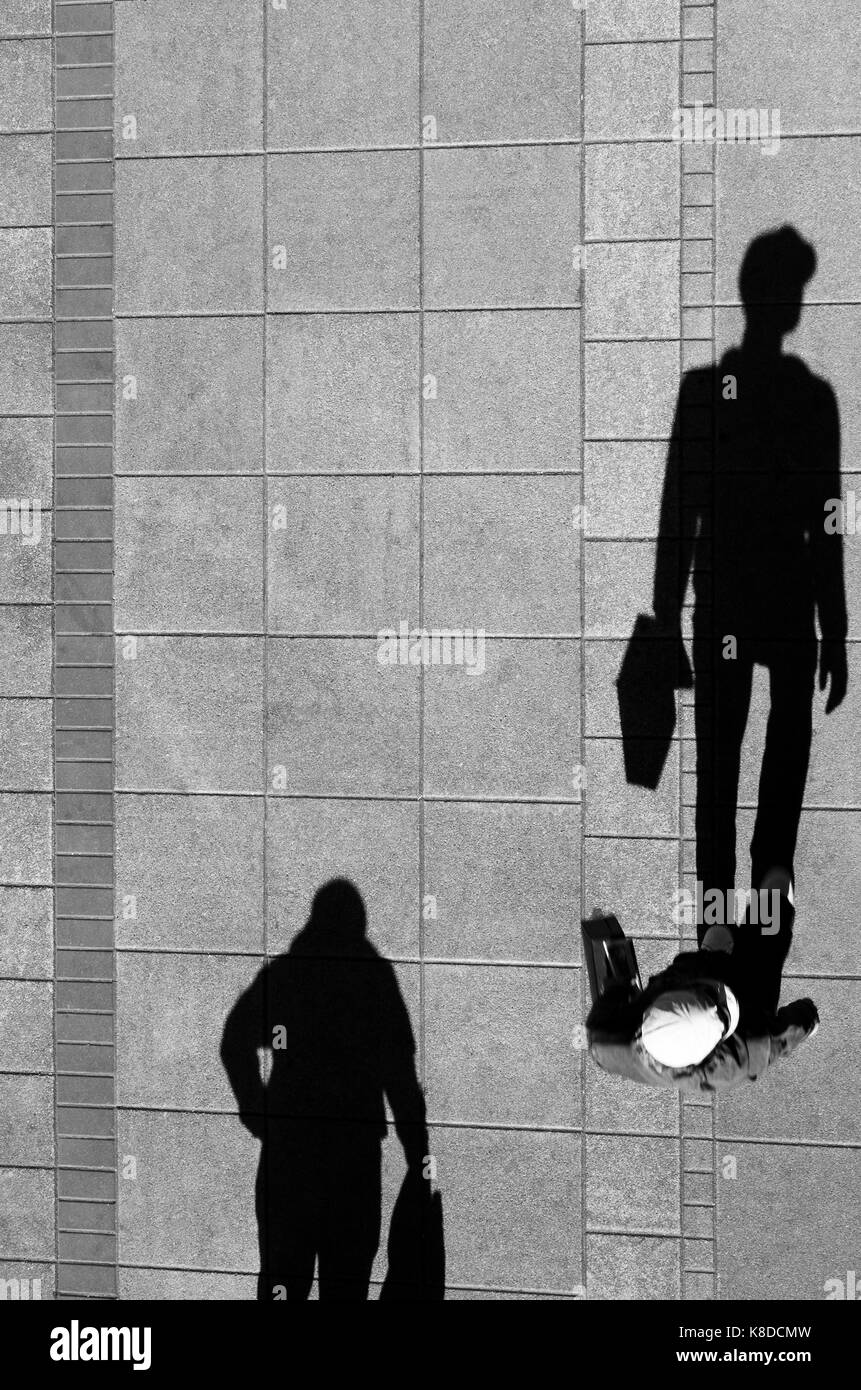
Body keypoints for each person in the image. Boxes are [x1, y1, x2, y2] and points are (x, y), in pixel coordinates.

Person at [587, 868, 819, 1092]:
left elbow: (613, 992)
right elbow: (791, 1029)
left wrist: (611, 950)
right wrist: (808, 1015)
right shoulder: (743, 1055)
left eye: (708, 994)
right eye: (722, 1005)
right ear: (713, 1048)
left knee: (721, 928)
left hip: (703, 966)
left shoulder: (606, 1041)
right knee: (776, 883)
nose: (720, 991)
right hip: (752, 999)